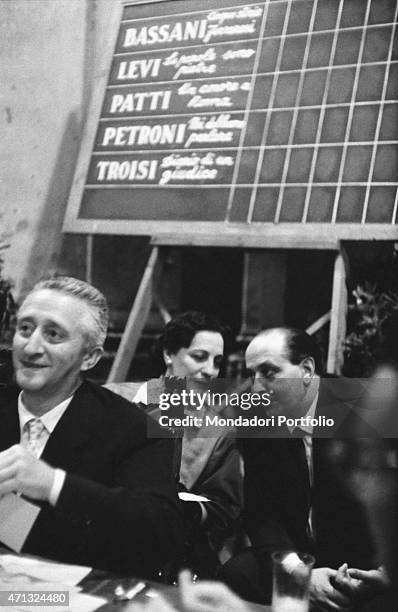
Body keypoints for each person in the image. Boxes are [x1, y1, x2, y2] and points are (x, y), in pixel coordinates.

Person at [0, 276, 183, 577]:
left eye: (54, 335)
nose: (31, 347)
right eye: (25, 329)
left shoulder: (132, 429)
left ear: (89, 357)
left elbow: (161, 532)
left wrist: (52, 483)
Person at [220, 327, 382, 610]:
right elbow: (262, 515)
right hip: (301, 555)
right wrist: (298, 574)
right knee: (237, 573)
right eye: (251, 374)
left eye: (269, 372)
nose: (256, 388)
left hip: (370, 560)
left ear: (307, 369)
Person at [107, 311, 243, 577]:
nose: (210, 371)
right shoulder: (112, 399)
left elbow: (224, 510)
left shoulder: (219, 432)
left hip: (167, 555)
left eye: (217, 362)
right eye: (199, 357)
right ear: (169, 354)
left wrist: (184, 510)